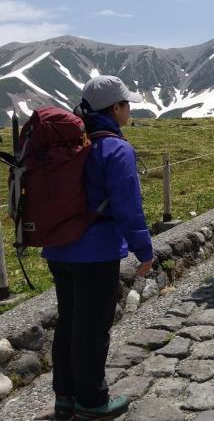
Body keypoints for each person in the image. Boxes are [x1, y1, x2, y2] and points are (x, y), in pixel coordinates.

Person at [42, 75, 153, 420]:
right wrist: (144, 250)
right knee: (93, 328)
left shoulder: (71, 144)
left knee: (68, 322)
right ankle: (92, 401)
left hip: (59, 247)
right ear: (116, 108)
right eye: (127, 104)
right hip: (97, 251)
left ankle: (64, 397)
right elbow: (128, 207)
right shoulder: (116, 149)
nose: (130, 109)